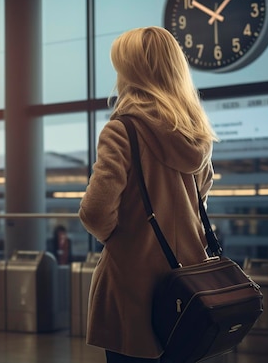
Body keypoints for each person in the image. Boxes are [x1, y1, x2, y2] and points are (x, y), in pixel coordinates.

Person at [78, 26, 217, 363]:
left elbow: (95, 212)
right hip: (190, 291)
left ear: (132, 72)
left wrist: (124, 238)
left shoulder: (122, 130)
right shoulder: (196, 134)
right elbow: (198, 206)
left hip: (132, 291)